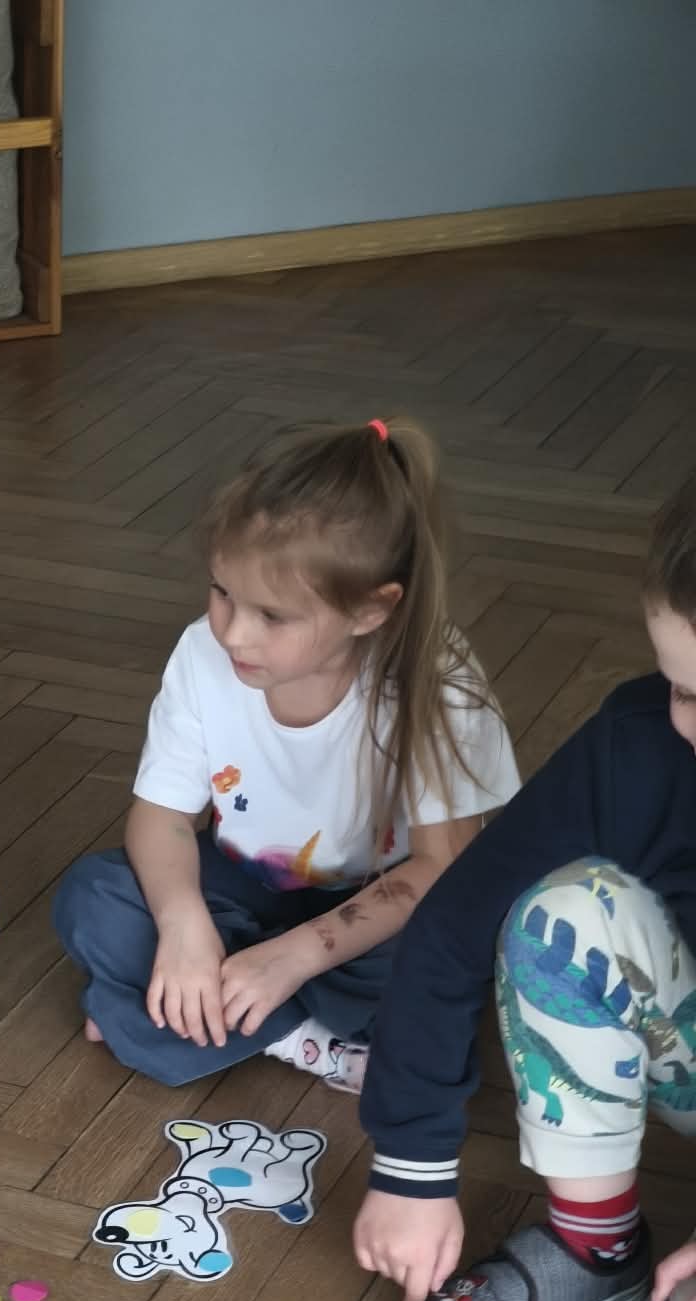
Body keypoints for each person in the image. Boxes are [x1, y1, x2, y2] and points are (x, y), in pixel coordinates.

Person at [353, 474, 696, 1301]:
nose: (691, 725)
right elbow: (455, 925)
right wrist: (412, 1169)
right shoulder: (638, 746)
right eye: (683, 688)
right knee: (562, 912)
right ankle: (596, 1247)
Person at [52, 418, 519, 1092]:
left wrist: (298, 955)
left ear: (370, 610)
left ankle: (164, 1017)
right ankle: (303, 1040)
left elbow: (440, 868)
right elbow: (162, 817)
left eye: (272, 616)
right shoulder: (201, 653)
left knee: (453, 949)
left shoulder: (438, 682)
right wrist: (182, 926)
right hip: (247, 890)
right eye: (222, 592)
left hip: (375, 908)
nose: (234, 634)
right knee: (94, 898)